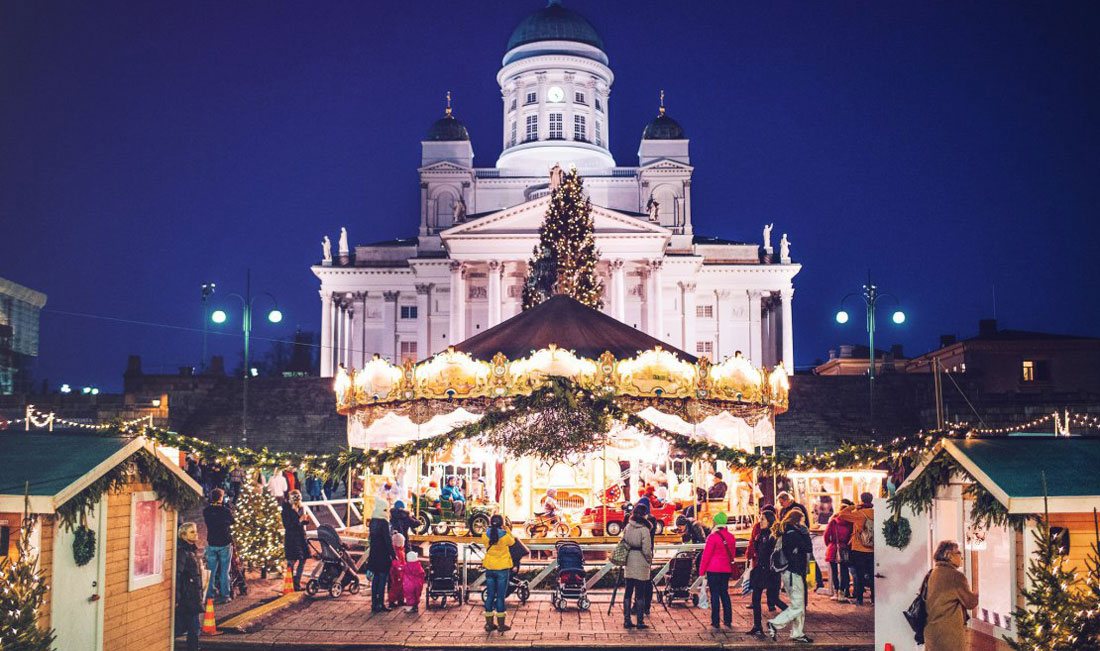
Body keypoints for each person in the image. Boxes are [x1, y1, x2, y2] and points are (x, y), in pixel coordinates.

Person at [767, 510, 814, 644]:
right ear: (797, 520)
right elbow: (808, 548)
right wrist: (806, 534)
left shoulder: (787, 532)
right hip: (794, 573)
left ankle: (797, 633)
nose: (804, 523)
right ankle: (775, 623)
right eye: (803, 520)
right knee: (798, 606)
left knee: (797, 604)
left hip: (790, 573)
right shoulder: (794, 534)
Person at [924, 540, 979, 651]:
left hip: (931, 633)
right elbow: (970, 603)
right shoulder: (956, 576)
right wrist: (976, 593)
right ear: (949, 555)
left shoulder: (933, 572)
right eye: (958, 553)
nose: (961, 556)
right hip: (949, 637)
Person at [747, 509, 786, 636]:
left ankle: (794, 613)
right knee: (756, 598)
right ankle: (757, 626)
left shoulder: (772, 536)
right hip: (761, 570)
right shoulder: (761, 535)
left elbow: (766, 554)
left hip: (770, 572)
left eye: (762, 519)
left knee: (774, 599)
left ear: (769, 521)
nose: (760, 521)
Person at [699, 511, 737, 629]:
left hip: (713, 569)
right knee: (724, 593)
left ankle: (715, 621)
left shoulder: (713, 537)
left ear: (715, 522)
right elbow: (733, 554)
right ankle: (728, 619)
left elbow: (706, 555)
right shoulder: (731, 537)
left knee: (714, 594)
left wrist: (701, 571)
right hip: (726, 569)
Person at [479, 514, 515, 633]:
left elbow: (485, 542)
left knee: (490, 595)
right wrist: (508, 530)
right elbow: (512, 542)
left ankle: (489, 625)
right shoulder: (505, 536)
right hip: (502, 570)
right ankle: (501, 625)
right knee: (500, 597)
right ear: (501, 523)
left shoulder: (485, 535)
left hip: (490, 568)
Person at [837, 492, 875, 605]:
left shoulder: (860, 514)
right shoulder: (876, 513)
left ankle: (860, 599)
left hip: (859, 548)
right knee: (873, 575)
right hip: (872, 548)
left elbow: (842, 514)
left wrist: (855, 506)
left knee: (859, 575)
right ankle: (874, 599)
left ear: (862, 500)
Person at [621, 504, 654, 629]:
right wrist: (649, 560)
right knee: (640, 594)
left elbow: (623, 542)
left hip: (629, 560)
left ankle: (627, 620)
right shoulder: (644, 529)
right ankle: (640, 621)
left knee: (628, 592)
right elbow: (647, 550)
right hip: (641, 562)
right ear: (644, 514)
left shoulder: (628, 526)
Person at [202, 488, 235, 604]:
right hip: (224, 542)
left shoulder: (206, 511)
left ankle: (210, 595)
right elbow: (232, 521)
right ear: (221, 498)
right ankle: (225, 595)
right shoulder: (225, 511)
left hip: (212, 543)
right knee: (224, 571)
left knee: (211, 571)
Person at [175, 522, 204, 651]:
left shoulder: (191, 550)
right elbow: (178, 574)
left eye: (195, 531)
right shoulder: (183, 552)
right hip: (188, 598)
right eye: (192, 532)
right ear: (183, 535)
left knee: (193, 628)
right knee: (192, 628)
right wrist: (178, 597)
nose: (196, 534)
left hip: (192, 595)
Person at [366, 500, 396, 612]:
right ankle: (381, 603)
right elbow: (387, 540)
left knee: (376, 579)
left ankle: (374, 604)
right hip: (383, 554)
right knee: (382, 579)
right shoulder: (383, 522)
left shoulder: (373, 521)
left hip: (374, 553)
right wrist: (393, 555)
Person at [824, 499, 855, 603]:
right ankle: (842, 592)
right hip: (845, 548)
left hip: (833, 548)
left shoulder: (833, 521)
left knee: (834, 571)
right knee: (844, 572)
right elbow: (852, 536)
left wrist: (829, 545)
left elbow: (826, 535)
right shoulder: (850, 523)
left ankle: (836, 592)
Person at [280, 490, 309, 591]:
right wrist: (299, 521)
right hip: (292, 539)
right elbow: (288, 526)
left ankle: (296, 582)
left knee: (303, 559)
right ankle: (291, 583)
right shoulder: (286, 510)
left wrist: (304, 520)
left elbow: (300, 522)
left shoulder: (300, 508)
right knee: (291, 561)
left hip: (300, 538)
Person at [402, 549, 426, 613]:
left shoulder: (406, 566)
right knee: (416, 595)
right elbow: (422, 573)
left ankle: (410, 607)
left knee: (410, 596)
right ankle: (415, 606)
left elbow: (401, 570)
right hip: (418, 584)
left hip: (408, 584)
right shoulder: (418, 566)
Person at [388, 532, 406, 608]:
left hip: (398, 571)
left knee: (398, 586)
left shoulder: (396, 551)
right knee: (396, 586)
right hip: (398, 571)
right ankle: (393, 600)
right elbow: (400, 563)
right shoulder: (399, 552)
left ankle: (399, 600)